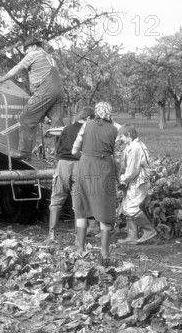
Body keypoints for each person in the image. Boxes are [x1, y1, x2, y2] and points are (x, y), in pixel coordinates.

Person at [0, 36, 64, 160]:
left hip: (45, 90)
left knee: (25, 118)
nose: (26, 52)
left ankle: (24, 152)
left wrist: (2, 78)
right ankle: (63, 156)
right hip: (59, 91)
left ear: (34, 46)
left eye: (27, 49)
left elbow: (18, 68)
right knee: (58, 126)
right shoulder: (51, 58)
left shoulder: (34, 54)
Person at [71, 101, 118, 262]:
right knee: (104, 207)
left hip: (85, 167)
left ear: (97, 112)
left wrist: (84, 156)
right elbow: (117, 153)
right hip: (104, 168)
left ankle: (80, 249)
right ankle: (104, 252)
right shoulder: (115, 129)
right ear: (109, 112)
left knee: (82, 206)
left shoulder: (87, 125)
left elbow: (75, 148)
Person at [45, 106, 95, 244]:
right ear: (89, 118)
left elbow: (58, 147)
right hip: (79, 164)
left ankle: (52, 235)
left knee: (56, 199)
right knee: (78, 203)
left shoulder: (67, 128)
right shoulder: (89, 130)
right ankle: (78, 239)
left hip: (63, 164)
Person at [116, 124, 158, 244]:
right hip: (137, 181)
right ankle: (132, 236)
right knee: (126, 206)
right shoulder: (133, 146)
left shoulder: (135, 148)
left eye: (122, 136)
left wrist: (121, 180)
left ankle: (149, 230)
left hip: (139, 182)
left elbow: (132, 171)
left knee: (131, 207)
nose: (120, 139)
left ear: (128, 135)